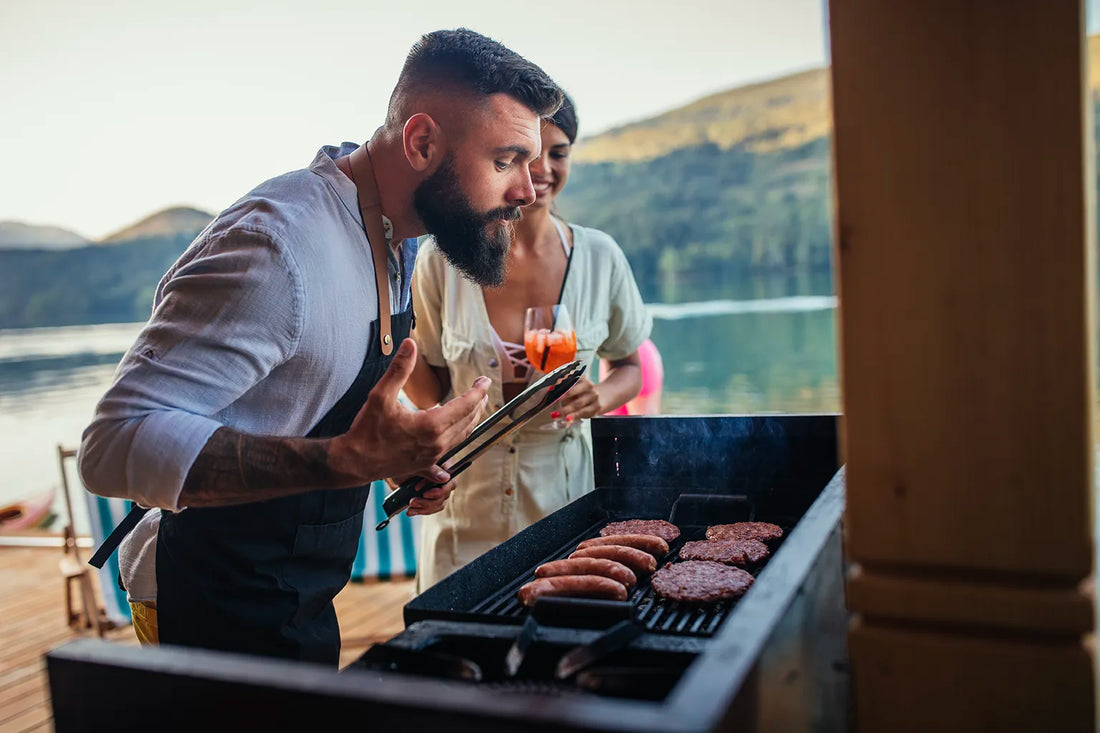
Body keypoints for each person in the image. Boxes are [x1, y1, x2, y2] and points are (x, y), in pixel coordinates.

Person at [77, 28, 563, 665]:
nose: (527, 191)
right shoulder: (280, 246)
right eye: (504, 162)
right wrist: (343, 461)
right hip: (208, 607)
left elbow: (305, 397)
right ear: (421, 143)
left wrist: (392, 458)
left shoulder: (397, 235)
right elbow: (113, 446)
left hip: (299, 599)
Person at [406, 93, 652, 590]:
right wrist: (393, 340)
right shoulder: (442, 259)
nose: (541, 168)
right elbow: (424, 382)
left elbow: (630, 365)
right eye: (525, 153)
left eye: (557, 152)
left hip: (564, 506)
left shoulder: (600, 257)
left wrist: (600, 396)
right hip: (463, 510)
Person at [601, 337, 663, 415]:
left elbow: (644, 424)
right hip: (618, 350)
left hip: (634, 354)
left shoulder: (633, 353)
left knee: (643, 424)